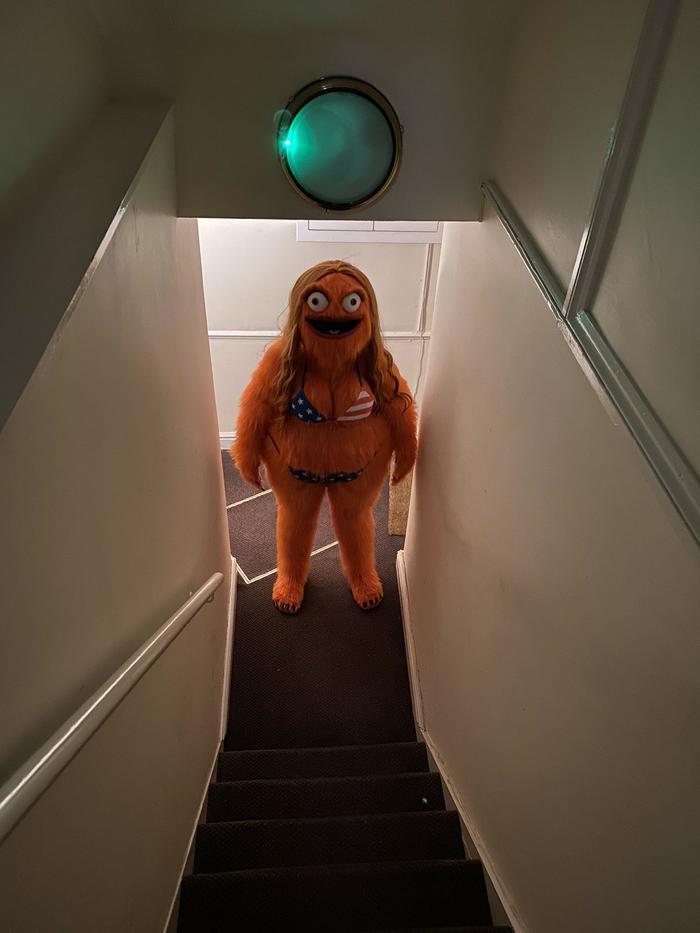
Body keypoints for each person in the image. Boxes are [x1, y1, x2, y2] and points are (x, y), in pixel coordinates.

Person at [233, 260, 417, 614]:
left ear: (367, 309)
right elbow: (255, 406)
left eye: (351, 302)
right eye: (318, 301)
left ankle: (362, 575)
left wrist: (407, 450)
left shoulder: (376, 361)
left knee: (356, 518)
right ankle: (290, 577)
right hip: (294, 468)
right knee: (295, 518)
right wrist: (247, 453)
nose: (335, 314)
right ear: (301, 307)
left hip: (358, 470)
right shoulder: (281, 359)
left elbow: (400, 406)